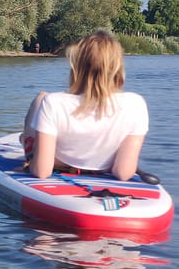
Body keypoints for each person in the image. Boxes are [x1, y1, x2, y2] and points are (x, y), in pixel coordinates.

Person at [20, 30, 148, 181]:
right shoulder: (136, 104)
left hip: (58, 163)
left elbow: (42, 172)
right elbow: (123, 173)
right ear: (117, 68)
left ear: (77, 68)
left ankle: (25, 143)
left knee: (40, 97)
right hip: (103, 170)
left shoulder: (53, 103)